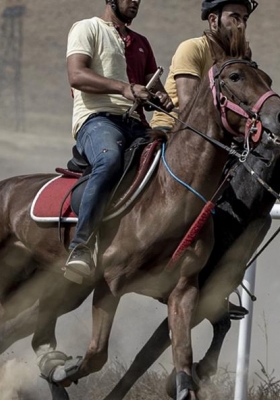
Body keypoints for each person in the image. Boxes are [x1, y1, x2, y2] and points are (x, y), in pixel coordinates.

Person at [64, 0, 174, 282]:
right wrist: (124, 88)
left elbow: (154, 86)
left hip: (137, 124)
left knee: (177, 163)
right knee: (109, 158)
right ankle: (81, 248)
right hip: (97, 120)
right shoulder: (87, 28)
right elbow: (76, 75)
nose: (135, 1)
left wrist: (161, 97)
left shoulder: (141, 43)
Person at [149, 0, 258, 131]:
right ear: (213, 20)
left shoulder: (237, 58)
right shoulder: (193, 48)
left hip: (216, 134)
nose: (241, 25)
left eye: (244, 19)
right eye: (235, 17)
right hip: (173, 128)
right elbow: (189, 108)